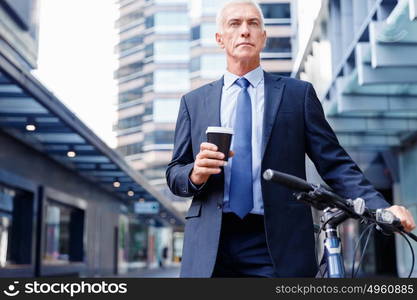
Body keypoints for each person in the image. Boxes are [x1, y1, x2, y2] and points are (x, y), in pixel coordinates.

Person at [166, 0, 416, 278]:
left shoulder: (298, 95)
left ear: (264, 36)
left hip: (278, 243)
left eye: (253, 24)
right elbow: (175, 173)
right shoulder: (194, 102)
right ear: (219, 39)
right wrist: (195, 174)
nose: (245, 31)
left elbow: (336, 164)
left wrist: (382, 207)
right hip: (210, 244)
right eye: (234, 24)